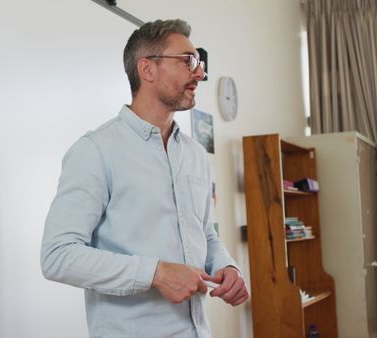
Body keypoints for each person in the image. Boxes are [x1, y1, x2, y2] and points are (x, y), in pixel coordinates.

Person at [40, 18, 249, 338]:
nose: (200, 73)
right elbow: (58, 256)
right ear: (147, 69)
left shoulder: (195, 155)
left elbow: (205, 235)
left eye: (200, 62)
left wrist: (227, 266)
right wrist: (156, 273)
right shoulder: (96, 151)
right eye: (188, 61)